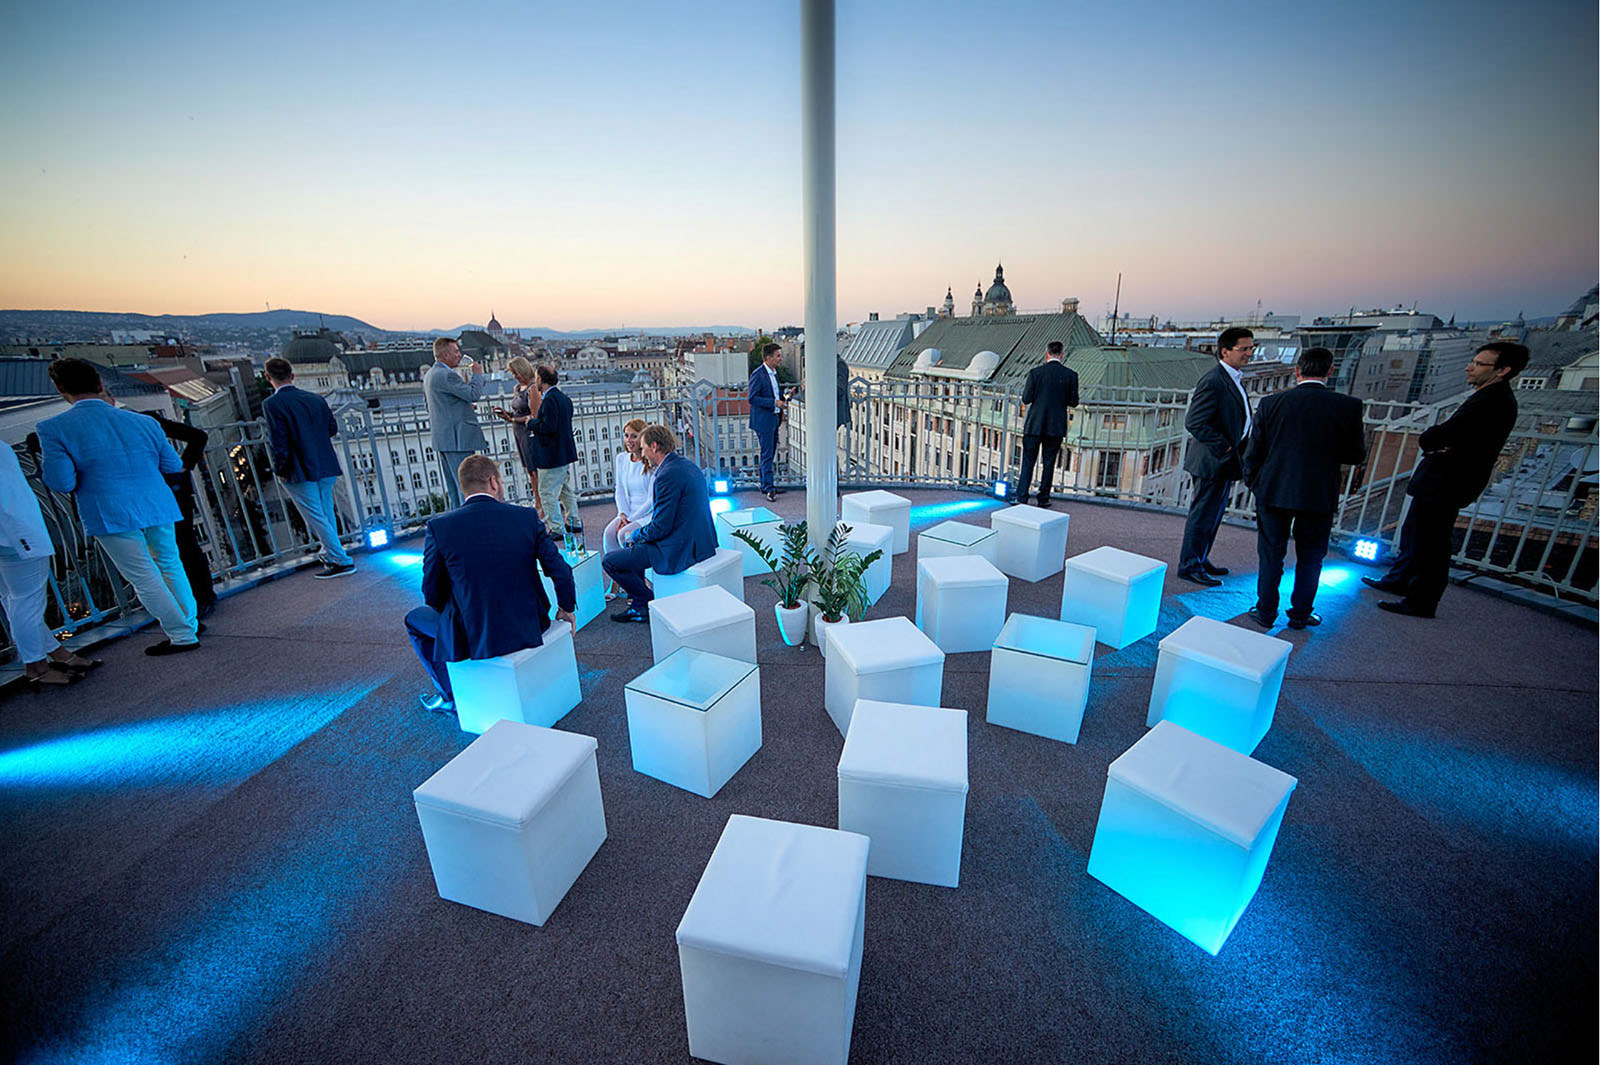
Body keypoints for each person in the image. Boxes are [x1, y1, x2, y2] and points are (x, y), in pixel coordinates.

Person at [36, 358, 200, 655]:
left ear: (61, 389)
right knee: (170, 564)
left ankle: (181, 634)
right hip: (156, 503)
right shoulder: (144, 422)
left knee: (144, 576)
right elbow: (172, 464)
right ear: (99, 383)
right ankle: (188, 626)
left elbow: (61, 482)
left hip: (109, 511)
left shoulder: (54, 428)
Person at [1363, 341, 1530, 619]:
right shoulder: (1488, 396)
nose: (1469, 367)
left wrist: (1434, 440)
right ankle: (1400, 579)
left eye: (1479, 364)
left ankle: (1421, 601)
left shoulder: (1493, 401)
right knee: (1414, 532)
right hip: (1442, 479)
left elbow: (1443, 435)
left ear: (1503, 370)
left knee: (1431, 543)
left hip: (1448, 482)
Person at [404, 454, 576, 714]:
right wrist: (566, 607)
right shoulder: (525, 517)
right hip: (529, 625)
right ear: (494, 482)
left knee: (414, 619)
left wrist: (455, 612)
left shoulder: (439, 527)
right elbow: (560, 570)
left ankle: (449, 695)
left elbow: (431, 591)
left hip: (472, 635)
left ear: (463, 487)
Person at [1240, 347, 1367, 629]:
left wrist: (1256, 484)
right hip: (1318, 492)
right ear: (1330, 371)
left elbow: (1253, 452)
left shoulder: (1271, 403)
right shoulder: (1348, 406)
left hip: (1274, 489)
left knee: (1271, 554)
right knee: (1311, 557)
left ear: (1297, 370)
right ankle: (1300, 615)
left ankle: (1265, 611)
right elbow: (1356, 455)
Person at [0, 443, 99, 686]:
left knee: (14, 600)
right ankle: (37, 667)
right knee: (26, 602)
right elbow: (8, 496)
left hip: (8, 538)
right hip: (16, 537)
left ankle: (56, 653)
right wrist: (24, 538)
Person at [601, 424, 717, 623]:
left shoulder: (666, 475)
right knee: (634, 543)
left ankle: (645, 601)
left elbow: (660, 527)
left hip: (679, 546)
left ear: (654, 446)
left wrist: (634, 535)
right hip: (699, 539)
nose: (643, 453)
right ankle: (639, 605)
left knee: (610, 561)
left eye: (644, 447)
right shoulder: (686, 465)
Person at [261, 357, 356, 579]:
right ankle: (332, 555)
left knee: (316, 516)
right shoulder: (316, 399)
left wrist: (280, 470)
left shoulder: (272, 404)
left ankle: (341, 560)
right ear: (292, 375)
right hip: (326, 463)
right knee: (326, 513)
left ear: (268, 377)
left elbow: (279, 441)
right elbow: (332, 429)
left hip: (299, 469)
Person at [1178, 327, 1255, 585]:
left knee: (1213, 515)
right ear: (1225, 351)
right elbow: (1195, 422)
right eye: (1244, 349)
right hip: (1212, 461)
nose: (1250, 353)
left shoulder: (1231, 378)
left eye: (1251, 348)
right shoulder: (1214, 380)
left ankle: (1200, 558)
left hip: (1223, 462)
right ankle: (1190, 565)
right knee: (1202, 515)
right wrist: (1226, 448)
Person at [145, 412, 218, 616]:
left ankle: (201, 597)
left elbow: (198, 436)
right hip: (167, 489)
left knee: (184, 544)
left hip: (170, 489)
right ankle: (198, 597)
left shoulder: (144, 420)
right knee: (179, 545)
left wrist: (184, 467)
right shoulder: (142, 420)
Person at [423, 336, 488, 510]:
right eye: (456, 351)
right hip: (458, 439)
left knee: (453, 488)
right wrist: (477, 374)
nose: (459, 355)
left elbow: (432, 405)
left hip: (443, 439)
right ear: (445, 354)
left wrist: (461, 407)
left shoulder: (430, 374)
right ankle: (468, 521)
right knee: (466, 487)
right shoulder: (447, 375)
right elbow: (473, 394)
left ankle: (457, 519)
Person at [1015, 340, 1080, 508]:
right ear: (1062, 355)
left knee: (1028, 461)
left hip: (1035, 424)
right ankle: (1043, 498)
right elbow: (1074, 402)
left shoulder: (1035, 373)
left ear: (1046, 354)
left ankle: (1022, 497)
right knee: (1049, 463)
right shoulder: (1071, 375)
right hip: (1055, 426)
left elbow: (1026, 398)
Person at [602, 418, 657, 600]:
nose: (629, 440)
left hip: (647, 513)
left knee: (623, 535)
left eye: (634, 436)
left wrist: (631, 519)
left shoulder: (650, 462)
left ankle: (637, 587)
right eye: (626, 436)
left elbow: (651, 500)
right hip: (628, 511)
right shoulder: (622, 459)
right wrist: (622, 514)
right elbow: (619, 490)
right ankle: (617, 582)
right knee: (609, 534)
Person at [528, 363, 582, 538]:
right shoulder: (564, 398)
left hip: (551, 455)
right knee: (565, 489)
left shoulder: (549, 400)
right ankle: (573, 521)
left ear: (540, 379)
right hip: (564, 453)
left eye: (536, 377)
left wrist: (531, 423)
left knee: (547, 492)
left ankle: (557, 528)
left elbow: (548, 427)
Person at [492, 356, 544, 516]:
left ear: (523, 370)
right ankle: (538, 502)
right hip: (519, 432)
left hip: (529, 433)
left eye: (516, 372)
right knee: (529, 469)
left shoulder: (533, 389)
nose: (514, 376)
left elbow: (534, 416)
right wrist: (506, 414)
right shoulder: (517, 388)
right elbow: (517, 412)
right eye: (512, 373)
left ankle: (540, 504)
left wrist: (513, 419)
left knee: (535, 470)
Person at [748, 342, 787, 502]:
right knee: (767, 454)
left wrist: (784, 397)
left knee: (769, 453)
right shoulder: (758, 374)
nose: (781, 358)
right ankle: (768, 488)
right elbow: (752, 398)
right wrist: (774, 403)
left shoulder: (773, 373)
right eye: (778, 356)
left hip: (773, 418)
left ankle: (766, 485)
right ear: (768, 358)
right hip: (764, 420)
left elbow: (775, 393)